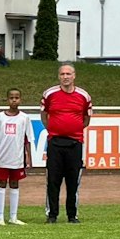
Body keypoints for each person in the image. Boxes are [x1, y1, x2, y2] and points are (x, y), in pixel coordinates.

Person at [41, 63, 91, 224]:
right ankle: (52, 215)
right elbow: (44, 115)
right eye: (62, 74)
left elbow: (86, 119)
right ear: (59, 76)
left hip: (75, 143)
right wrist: (53, 129)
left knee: (73, 181)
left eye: (68, 74)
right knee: (53, 180)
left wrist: (74, 130)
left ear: (74, 76)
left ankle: (72, 215)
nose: (65, 77)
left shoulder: (84, 96)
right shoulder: (49, 94)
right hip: (55, 143)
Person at [0, 88, 34, 225]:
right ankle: (0, 217)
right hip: (1, 157)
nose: (14, 100)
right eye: (11, 97)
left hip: (17, 158)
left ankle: (13, 217)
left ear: (20, 99)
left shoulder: (24, 118)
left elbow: (28, 139)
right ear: (7, 99)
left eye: (17, 97)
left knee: (15, 184)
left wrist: (29, 157)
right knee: (1, 183)